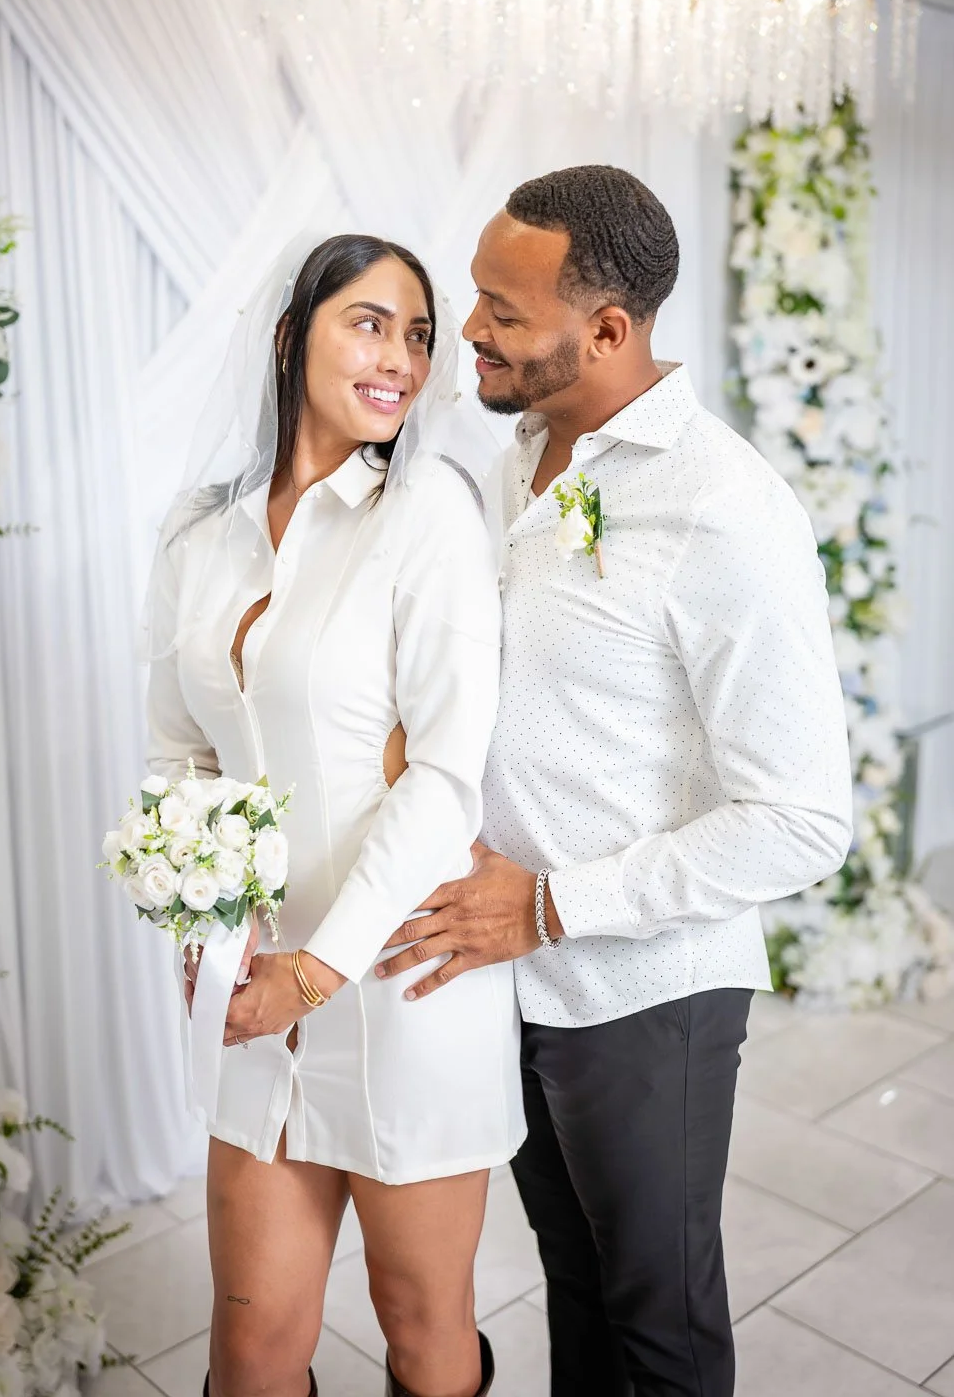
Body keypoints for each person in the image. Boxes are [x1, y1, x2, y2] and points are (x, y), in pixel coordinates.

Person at [375, 166, 854, 1396]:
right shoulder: (507, 460)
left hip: (645, 992)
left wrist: (546, 904)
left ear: (605, 330)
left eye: (498, 309)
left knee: (657, 1320)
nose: (465, 332)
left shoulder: (722, 509)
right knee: (572, 1284)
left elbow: (801, 820)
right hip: (507, 980)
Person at [144, 235, 523, 1397]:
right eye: (368, 322)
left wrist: (314, 971)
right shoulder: (203, 536)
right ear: (285, 338)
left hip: (404, 979)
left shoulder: (429, 520)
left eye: (416, 333)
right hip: (258, 996)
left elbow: (445, 776)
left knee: (420, 1327)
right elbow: (178, 749)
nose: (402, 357)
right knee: (251, 1351)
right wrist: (203, 934)